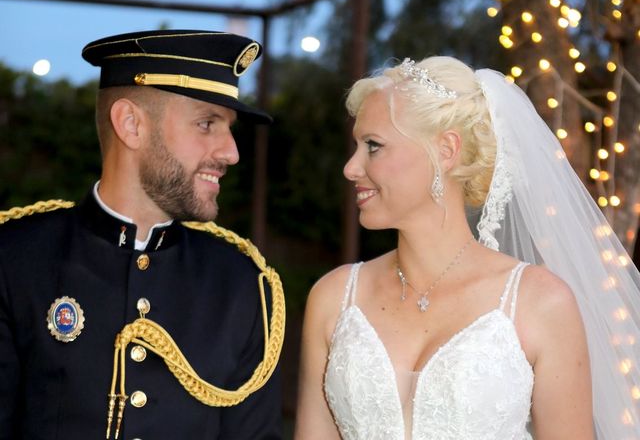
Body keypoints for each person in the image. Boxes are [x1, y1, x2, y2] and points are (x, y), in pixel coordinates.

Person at [294, 56, 640, 439]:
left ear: (446, 150)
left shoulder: (540, 303)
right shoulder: (333, 298)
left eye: (373, 146)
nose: (351, 167)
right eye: (356, 145)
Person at [0, 29, 285, 440]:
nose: (231, 152)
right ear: (131, 124)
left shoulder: (243, 285)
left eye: (229, 128)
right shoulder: (15, 260)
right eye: (207, 124)